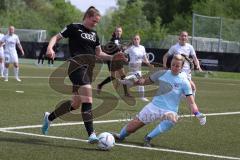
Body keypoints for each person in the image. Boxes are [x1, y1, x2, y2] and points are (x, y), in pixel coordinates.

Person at [41, 6, 126, 143]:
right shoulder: (74, 27)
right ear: (87, 17)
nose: (95, 24)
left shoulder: (94, 35)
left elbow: (99, 54)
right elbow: (55, 37)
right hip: (76, 66)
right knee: (88, 97)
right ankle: (91, 134)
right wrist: (50, 48)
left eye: (97, 22)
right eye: (94, 21)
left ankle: (49, 117)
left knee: (75, 104)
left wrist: (113, 57)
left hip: (88, 70)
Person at [112, 54, 206, 147]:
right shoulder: (162, 73)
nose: (174, 67)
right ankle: (120, 136)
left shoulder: (185, 82)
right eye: (173, 64)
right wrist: (131, 82)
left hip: (170, 110)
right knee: (131, 128)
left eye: (177, 66)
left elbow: (191, 102)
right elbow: (144, 82)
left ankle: (148, 137)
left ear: (181, 67)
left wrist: (197, 113)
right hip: (153, 107)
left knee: (172, 119)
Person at [162, 31, 202, 96]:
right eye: (182, 35)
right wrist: (164, 65)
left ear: (187, 38)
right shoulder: (174, 47)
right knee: (192, 87)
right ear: (179, 37)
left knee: (189, 88)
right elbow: (165, 56)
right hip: (179, 71)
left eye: (185, 36)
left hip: (187, 71)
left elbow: (195, 58)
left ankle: (187, 102)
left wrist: (198, 66)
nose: (184, 37)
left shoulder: (190, 47)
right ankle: (191, 104)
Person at [97, 26, 131, 97]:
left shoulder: (119, 39)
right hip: (112, 59)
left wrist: (123, 49)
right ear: (115, 32)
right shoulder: (114, 39)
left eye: (120, 31)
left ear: (122, 32)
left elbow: (119, 49)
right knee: (115, 77)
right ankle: (100, 85)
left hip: (117, 59)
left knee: (122, 76)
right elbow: (116, 48)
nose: (119, 32)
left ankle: (126, 93)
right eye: (117, 31)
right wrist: (123, 48)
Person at [124, 34, 154, 102]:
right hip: (132, 66)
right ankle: (142, 96)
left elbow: (145, 58)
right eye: (135, 39)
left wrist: (149, 64)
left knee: (137, 81)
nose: (136, 40)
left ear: (140, 40)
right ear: (133, 40)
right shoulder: (131, 48)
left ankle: (125, 80)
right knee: (140, 80)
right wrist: (126, 58)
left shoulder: (142, 47)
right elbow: (124, 53)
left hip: (138, 67)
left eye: (137, 39)